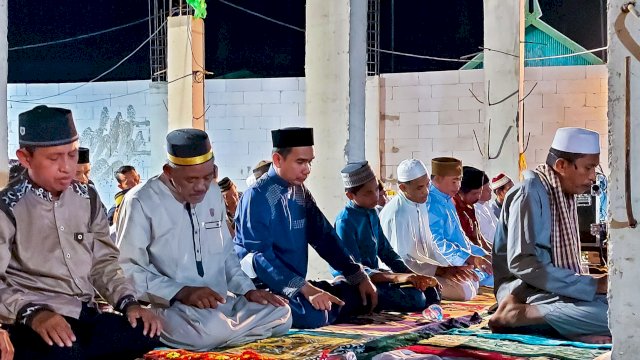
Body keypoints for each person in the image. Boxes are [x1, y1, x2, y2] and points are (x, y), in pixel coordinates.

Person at [0, 105, 161, 360]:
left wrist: (128, 302)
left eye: (72, 154)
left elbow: (103, 263)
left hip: (82, 313)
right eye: (54, 158)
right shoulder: (8, 205)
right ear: (25, 158)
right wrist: (34, 313)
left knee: (145, 331)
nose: (67, 167)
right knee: (64, 350)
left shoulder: (88, 198)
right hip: (33, 318)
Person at [118, 129, 291, 351]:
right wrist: (182, 292)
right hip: (175, 308)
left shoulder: (211, 193)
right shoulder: (140, 201)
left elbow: (226, 253)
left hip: (220, 304)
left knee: (282, 313)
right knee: (207, 332)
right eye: (191, 179)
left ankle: (227, 332)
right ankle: (230, 332)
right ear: (169, 171)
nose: (201, 186)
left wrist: (248, 290)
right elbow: (127, 269)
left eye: (208, 177)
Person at [235, 127, 378, 329]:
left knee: (362, 296)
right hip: (265, 288)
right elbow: (259, 257)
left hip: (299, 288)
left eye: (310, 162)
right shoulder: (258, 196)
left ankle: (329, 301)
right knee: (314, 316)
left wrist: (357, 274)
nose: (307, 169)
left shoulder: (299, 191)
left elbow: (325, 237)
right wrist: (305, 289)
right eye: (300, 162)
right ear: (277, 160)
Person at [489, 127, 610, 343]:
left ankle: (569, 329)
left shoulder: (562, 194)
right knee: (618, 317)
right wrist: (592, 285)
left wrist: (592, 286)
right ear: (561, 165)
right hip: (523, 293)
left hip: (553, 291)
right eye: (588, 168)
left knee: (624, 304)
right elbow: (522, 263)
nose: (593, 177)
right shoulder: (528, 193)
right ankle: (519, 315)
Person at [334, 161, 440, 312]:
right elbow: (353, 270)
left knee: (430, 292)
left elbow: (387, 252)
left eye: (376, 189)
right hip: (355, 284)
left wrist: (413, 276)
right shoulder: (345, 222)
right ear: (350, 195)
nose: (375, 196)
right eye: (368, 193)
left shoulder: (371, 212)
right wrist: (397, 278)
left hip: (377, 277)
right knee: (416, 299)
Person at [380, 159, 479, 301]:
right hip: (401, 275)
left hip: (424, 268)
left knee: (470, 282)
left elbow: (429, 246)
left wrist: (449, 267)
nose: (426, 192)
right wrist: (441, 271)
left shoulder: (419, 203)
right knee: (463, 291)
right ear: (403, 188)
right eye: (420, 188)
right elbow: (402, 262)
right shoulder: (398, 213)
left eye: (427, 185)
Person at [427, 157, 493, 286]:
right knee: (470, 285)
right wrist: (470, 258)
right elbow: (436, 242)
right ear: (439, 178)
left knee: (502, 271)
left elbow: (462, 241)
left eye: (460, 180)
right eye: (454, 181)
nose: (458, 186)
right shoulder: (431, 202)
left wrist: (483, 255)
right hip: (446, 267)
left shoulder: (447, 199)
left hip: (462, 261)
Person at [454, 166, 492, 253]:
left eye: (480, 192)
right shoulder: (454, 210)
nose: (478, 197)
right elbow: (463, 246)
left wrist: (494, 253)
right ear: (460, 191)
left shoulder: (470, 207)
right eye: (474, 193)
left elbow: (481, 240)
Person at [474, 177, 499, 244]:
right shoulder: (475, 211)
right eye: (487, 188)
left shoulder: (485, 205)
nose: (490, 190)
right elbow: (488, 238)